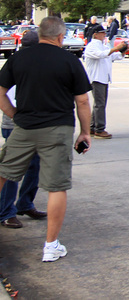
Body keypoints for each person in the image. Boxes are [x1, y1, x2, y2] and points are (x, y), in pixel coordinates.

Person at [0, 16, 93, 262]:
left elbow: (0, 92)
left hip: (24, 127)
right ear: (61, 37)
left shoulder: (18, 58)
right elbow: (82, 101)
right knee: (56, 186)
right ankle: (51, 246)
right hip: (58, 128)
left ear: (40, 33)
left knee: (3, 172)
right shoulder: (70, 61)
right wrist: (85, 132)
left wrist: (14, 114)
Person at [0, 29, 45, 229]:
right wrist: (14, 114)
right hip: (16, 125)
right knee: (12, 171)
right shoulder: (16, 63)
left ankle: (25, 203)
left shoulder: (39, 63)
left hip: (34, 125)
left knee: (34, 166)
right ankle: (6, 212)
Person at [82, 28, 127, 139]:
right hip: (97, 78)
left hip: (103, 78)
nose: (104, 34)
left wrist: (122, 50)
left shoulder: (103, 45)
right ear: (95, 35)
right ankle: (99, 129)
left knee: (99, 104)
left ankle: (92, 127)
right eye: (102, 33)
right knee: (100, 104)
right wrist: (115, 48)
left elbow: (112, 56)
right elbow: (101, 55)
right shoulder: (92, 46)